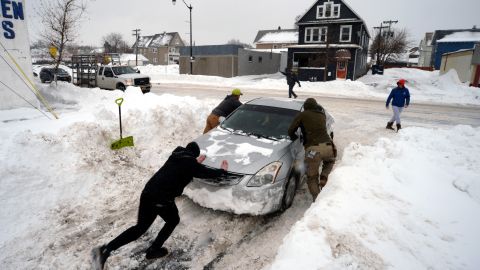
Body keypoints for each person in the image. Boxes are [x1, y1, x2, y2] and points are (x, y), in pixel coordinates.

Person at [91, 142, 228, 270]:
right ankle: (153, 250)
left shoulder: (176, 157)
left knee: (140, 228)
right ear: (194, 156)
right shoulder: (190, 163)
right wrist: (223, 171)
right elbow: (206, 173)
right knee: (173, 220)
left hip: (148, 192)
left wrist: (195, 163)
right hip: (161, 198)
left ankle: (105, 250)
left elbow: (189, 167)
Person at [288, 98, 336, 202]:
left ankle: (318, 201)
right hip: (328, 146)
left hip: (313, 150)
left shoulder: (303, 114)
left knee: (312, 177)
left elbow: (291, 129)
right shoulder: (322, 115)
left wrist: (293, 137)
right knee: (329, 162)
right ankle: (324, 176)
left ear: (306, 107)